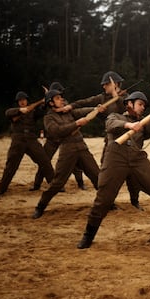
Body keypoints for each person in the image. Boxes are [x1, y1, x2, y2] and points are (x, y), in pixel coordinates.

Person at [76, 91, 150, 249]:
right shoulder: (115, 116)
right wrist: (129, 125)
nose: (143, 108)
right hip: (116, 159)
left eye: (144, 106)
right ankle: (88, 236)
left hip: (138, 159)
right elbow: (111, 124)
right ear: (129, 103)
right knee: (103, 200)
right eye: (140, 104)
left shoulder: (142, 122)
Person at [60, 71, 142, 209]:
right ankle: (108, 202)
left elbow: (130, 113)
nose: (104, 87)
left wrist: (118, 98)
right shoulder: (102, 98)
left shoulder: (127, 98)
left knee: (132, 174)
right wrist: (71, 106)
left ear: (115, 84)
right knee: (106, 171)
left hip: (128, 139)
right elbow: (85, 102)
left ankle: (135, 201)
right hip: (110, 140)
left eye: (106, 84)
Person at [32, 89, 100, 219]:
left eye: (61, 98)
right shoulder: (49, 118)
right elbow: (55, 131)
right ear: (51, 103)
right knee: (57, 183)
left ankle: (108, 203)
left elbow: (81, 111)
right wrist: (76, 124)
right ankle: (40, 207)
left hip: (81, 147)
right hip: (68, 150)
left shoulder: (68, 112)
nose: (61, 100)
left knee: (97, 176)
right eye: (57, 98)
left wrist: (96, 108)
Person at [30, 81, 86, 191]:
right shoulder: (49, 102)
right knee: (45, 161)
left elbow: (70, 112)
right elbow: (41, 111)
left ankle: (80, 183)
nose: (61, 95)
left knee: (72, 162)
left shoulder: (62, 102)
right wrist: (46, 99)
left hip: (63, 136)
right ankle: (37, 184)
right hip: (53, 137)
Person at [0, 91, 54, 196]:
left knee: (44, 161)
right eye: (20, 101)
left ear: (27, 100)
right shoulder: (13, 111)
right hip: (18, 141)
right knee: (11, 166)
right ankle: (2, 189)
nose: (22, 102)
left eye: (24, 100)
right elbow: (7, 113)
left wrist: (45, 101)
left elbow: (41, 111)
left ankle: (55, 186)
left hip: (31, 140)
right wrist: (20, 110)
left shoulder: (33, 112)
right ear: (18, 102)